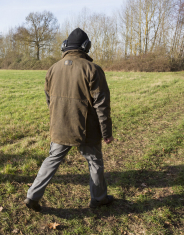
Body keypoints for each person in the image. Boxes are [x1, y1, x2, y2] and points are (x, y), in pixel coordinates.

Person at [24, 28, 114, 211]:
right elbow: (102, 105)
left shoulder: (52, 69)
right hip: (86, 129)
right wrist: (106, 132)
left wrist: (57, 118)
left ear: (65, 46)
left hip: (59, 126)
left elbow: (49, 100)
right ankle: (98, 198)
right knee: (95, 162)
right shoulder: (93, 69)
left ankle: (32, 195)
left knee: (52, 159)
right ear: (86, 47)